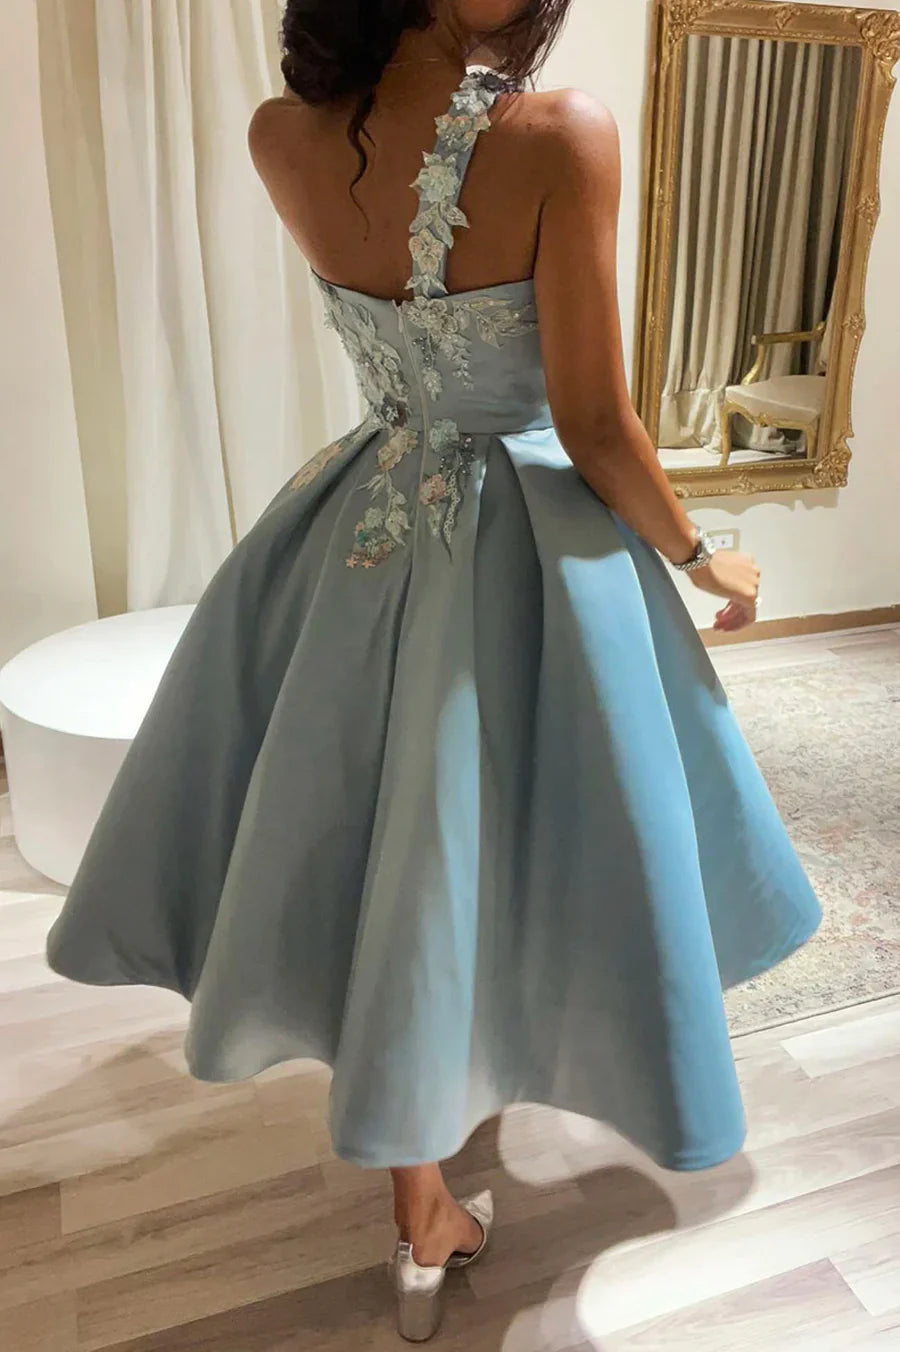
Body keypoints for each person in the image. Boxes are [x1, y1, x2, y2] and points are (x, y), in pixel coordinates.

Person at [47, 0, 822, 1341]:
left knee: (391, 840)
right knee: (520, 833)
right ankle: (449, 1157)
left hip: (359, 522)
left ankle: (421, 1197)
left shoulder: (281, 135)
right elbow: (592, 421)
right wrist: (705, 557)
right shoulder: (558, 135)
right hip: (529, 540)